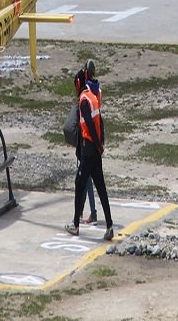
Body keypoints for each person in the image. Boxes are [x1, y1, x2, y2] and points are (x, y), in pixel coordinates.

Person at [65, 68, 114, 240]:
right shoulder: (93, 97)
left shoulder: (84, 100)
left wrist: (96, 143)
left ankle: (75, 225)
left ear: (78, 84)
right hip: (95, 149)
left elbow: (91, 126)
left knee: (79, 183)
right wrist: (101, 143)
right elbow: (100, 122)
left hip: (88, 149)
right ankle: (109, 225)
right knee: (101, 187)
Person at [79, 60, 99, 224]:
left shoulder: (86, 93)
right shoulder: (97, 89)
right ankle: (80, 211)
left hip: (87, 139)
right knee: (85, 178)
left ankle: (92, 212)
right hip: (95, 138)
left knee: (85, 178)